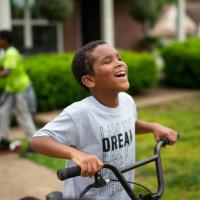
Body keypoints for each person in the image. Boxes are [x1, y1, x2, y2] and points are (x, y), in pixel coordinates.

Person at [30, 40, 178, 200]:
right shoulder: (81, 113)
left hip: (124, 194)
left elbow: (126, 125)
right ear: (89, 80)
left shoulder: (127, 101)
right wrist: (76, 155)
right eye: (108, 61)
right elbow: (38, 141)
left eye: (119, 58)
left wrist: (152, 127)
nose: (119, 63)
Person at [0, 30, 37, 151]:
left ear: (5, 40)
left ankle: (34, 144)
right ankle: (4, 140)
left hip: (21, 89)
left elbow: (6, 72)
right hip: (11, 89)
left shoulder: (11, 52)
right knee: (3, 113)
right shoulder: (5, 52)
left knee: (23, 116)